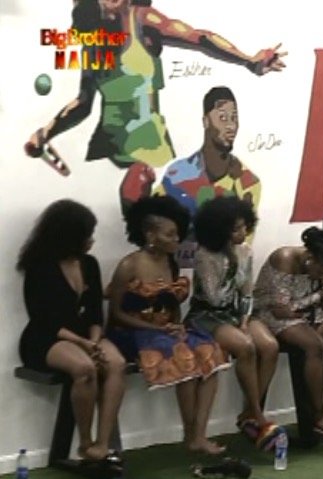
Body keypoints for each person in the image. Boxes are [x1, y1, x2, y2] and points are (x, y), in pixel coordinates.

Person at [24, 0, 285, 212]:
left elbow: (199, 38)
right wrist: (45, 133)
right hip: (109, 152)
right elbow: (83, 103)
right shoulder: (94, 40)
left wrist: (248, 60)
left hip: (149, 151)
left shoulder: (142, 20)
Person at [107, 196, 230, 455]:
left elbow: (171, 305)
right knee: (184, 356)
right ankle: (190, 434)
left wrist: (176, 326)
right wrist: (156, 329)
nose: (177, 240)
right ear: (150, 235)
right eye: (170, 234)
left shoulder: (171, 262)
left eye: (178, 234)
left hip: (164, 330)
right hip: (131, 332)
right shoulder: (129, 265)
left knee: (210, 352)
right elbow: (116, 314)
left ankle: (198, 434)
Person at [17, 200, 125, 466]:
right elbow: (42, 318)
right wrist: (83, 343)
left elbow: (95, 313)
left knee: (116, 363)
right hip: (47, 337)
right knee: (84, 368)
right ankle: (85, 442)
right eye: (86, 235)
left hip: (87, 335)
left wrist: (94, 340)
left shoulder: (90, 264)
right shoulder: (40, 266)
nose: (91, 241)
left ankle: (103, 443)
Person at [184, 197, 281, 449]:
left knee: (270, 346)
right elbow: (214, 297)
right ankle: (257, 413)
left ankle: (250, 410)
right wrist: (231, 265)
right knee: (246, 347)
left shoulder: (246, 251)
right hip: (206, 315)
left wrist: (245, 319)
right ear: (220, 230)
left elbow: (247, 291)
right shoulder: (205, 255)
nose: (243, 232)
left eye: (244, 226)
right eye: (236, 228)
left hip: (235, 313)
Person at [253, 227, 323, 448]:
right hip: (271, 314)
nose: (322, 274)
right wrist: (317, 296)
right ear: (310, 258)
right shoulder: (284, 259)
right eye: (321, 269)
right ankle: (318, 413)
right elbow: (281, 310)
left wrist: (318, 300)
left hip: (306, 313)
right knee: (315, 346)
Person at [157, 87, 262, 266]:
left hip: (219, 273)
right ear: (206, 121)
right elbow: (154, 226)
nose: (231, 126)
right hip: (175, 271)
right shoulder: (176, 174)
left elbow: (242, 245)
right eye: (223, 118)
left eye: (234, 118)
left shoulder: (248, 183)